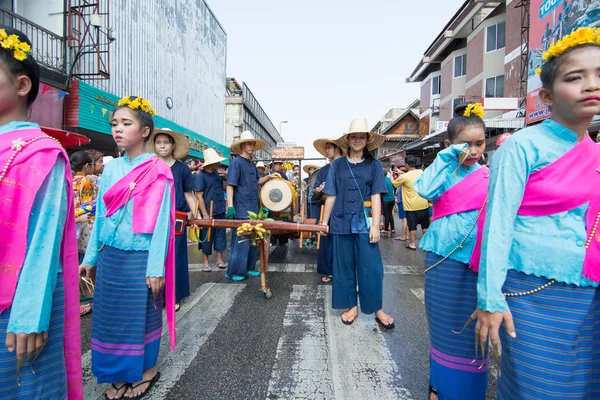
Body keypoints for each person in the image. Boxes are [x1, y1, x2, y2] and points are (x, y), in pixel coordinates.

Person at [475, 28, 600, 399]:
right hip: (532, 293)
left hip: (589, 293)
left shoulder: (596, 152)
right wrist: (490, 298)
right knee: (538, 389)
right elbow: (498, 225)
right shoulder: (522, 147)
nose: (590, 85)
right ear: (546, 95)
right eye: (575, 77)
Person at [0, 26, 82, 399]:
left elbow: (44, 238)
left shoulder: (40, 151)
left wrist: (31, 314)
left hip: (17, 306)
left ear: (21, 86)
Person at [80, 96, 176, 400]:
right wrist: (91, 256)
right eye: (114, 124)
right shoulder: (110, 170)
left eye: (126, 123)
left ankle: (146, 371)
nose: (117, 130)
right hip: (111, 256)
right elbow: (101, 217)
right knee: (109, 317)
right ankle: (119, 374)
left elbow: (162, 224)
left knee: (142, 316)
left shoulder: (160, 171)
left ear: (145, 131)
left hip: (141, 256)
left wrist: (155, 267)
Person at [413, 103, 488, 400]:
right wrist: (449, 156)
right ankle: (438, 386)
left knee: (474, 332)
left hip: (478, 260)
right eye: (464, 144)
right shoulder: (442, 171)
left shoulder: (488, 175)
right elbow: (424, 190)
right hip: (443, 258)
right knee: (445, 329)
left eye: (479, 143)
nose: (473, 150)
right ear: (448, 145)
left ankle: (468, 392)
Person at [321, 118, 395, 329]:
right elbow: (331, 195)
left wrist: (375, 225)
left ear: (367, 140)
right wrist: (324, 223)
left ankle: (377, 308)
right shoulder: (337, 165)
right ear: (348, 139)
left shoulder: (375, 165)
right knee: (343, 267)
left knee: (372, 268)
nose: (357, 140)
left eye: (361, 136)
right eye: (354, 136)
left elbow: (376, 196)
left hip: (364, 222)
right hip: (340, 221)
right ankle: (351, 306)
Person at [148, 128, 196, 311]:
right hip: (152, 218)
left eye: (166, 142)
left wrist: (198, 217)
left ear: (173, 145)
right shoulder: (150, 166)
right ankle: (155, 295)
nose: (162, 145)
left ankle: (173, 296)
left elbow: (189, 194)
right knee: (155, 257)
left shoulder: (182, 168)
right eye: (159, 142)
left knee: (176, 258)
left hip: (177, 218)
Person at [226, 131, 279, 281]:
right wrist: (230, 206)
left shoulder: (251, 164)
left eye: (253, 144)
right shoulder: (236, 163)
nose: (252, 146)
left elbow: (257, 181)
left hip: (253, 208)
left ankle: (249, 268)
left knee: (252, 240)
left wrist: (269, 176)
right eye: (249, 143)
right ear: (242, 145)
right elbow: (230, 185)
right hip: (241, 207)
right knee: (241, 241)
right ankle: (234, 271)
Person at [312, 137, 345, 284]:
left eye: (329, 147)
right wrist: (319, 189)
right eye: (325, 148)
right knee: (327, 241)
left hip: (343, 208)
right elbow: (316, 190)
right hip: (326, 209)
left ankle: (341, 272)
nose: (327, 151)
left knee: (342, 242)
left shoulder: (346, 165)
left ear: (337, 148)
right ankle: (328, 270)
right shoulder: (324, 170)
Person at [71, 151, 97, 317]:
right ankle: (84, 299)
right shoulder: (85, 182)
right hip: (84, 226)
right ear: (87, 166)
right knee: (85, 263)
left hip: (72, 226)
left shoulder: (70, 180)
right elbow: (87, 206)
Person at [196, 148, 228, 272]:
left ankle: (219, 259)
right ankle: (205, 261)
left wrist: (225, 178)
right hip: (208, 211)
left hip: (220, 209)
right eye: (217, 162)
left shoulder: (217, 174)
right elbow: (198, 195)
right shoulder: (201, 176)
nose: (219, 164)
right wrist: (203, 213)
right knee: (207, 237)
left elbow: (224, 188)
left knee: (220, 236)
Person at [392, 155, 429, 250]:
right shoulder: (421, 172)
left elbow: (394, 183)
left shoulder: (404, 176)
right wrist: (402, 172)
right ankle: (427, 243)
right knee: (425, 226)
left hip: (411, 206)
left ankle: (412, 244)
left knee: (412, 226)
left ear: (407, 164)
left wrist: (391, 175)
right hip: (423, 204)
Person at [392, 165, 409, 241]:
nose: (398, 173)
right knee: (406, 218)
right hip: (406, 201)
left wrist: (391, 174)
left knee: (404, 219)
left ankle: (403, 236)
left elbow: (394, 183)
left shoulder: (402, 180)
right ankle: (406, 235)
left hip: (402, 201)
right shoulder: (408, 179)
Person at [381, 172, 396, 237]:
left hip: (386, 199)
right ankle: (392, 228)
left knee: (386, 214)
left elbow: (381, 191)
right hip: (392, 199)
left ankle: (386, 229)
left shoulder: (382, 181)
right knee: (390, 214)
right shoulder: (389, 179)